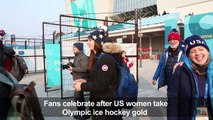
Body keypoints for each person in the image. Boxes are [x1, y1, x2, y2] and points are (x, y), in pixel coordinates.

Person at [73, 28, 123, 120]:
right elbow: (96, 78)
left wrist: (82, 86)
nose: (87, 43)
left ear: (97, 41)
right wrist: (85, 80)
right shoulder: (96, 58)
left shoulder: (105, 59)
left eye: (90, 40)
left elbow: (102, 85)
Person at [167, 35, 213, 119]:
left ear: (207, 51)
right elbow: (173, 103)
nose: (198, 53)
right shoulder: (180, 71)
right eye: (193, 51)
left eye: (201, 49)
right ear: (188, 56)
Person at [66, 42, 89, 120]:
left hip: (81, 80)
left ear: (79, 48)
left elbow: (85, 68)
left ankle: (84, 114)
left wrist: (73, 68)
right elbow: (78, 66)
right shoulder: (77, 56)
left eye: (74, 48)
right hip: (77, 79)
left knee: (77, 98)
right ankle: (82, 113)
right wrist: (71, 64)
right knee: (79, 97)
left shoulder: (83, 57)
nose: (73, 49)